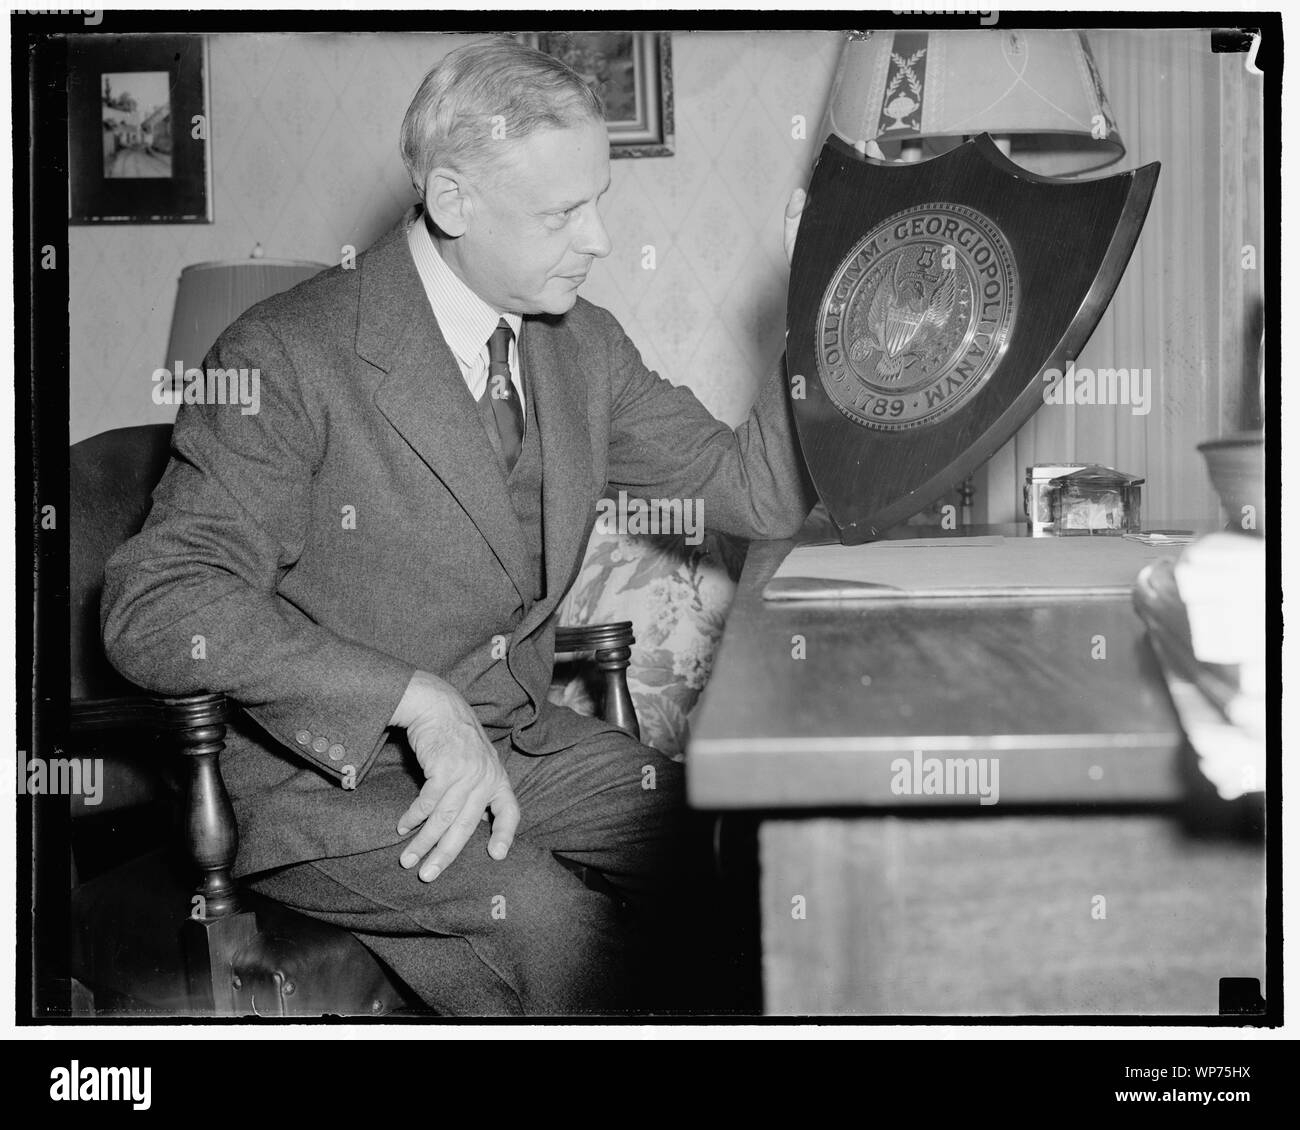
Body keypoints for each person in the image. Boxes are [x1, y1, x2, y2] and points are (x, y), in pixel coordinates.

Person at [101, 36, 814, 1016]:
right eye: (565, 213)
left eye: (599, 200)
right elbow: (157, 602)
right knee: (554, 925)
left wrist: (809, 298)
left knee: (741, 854)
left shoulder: (585, 348)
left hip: (523, 743)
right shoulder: (285, 354)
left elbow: (757, 492)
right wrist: (412, 697)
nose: (600, 239)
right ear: (453, 200)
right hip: (334, 781)